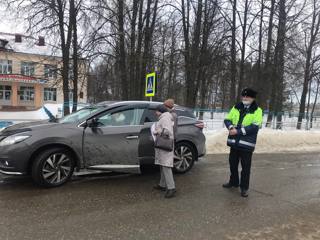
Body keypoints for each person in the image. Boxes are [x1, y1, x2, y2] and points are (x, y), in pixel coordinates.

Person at [223, 88, 263, 197]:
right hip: (234, 143)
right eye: (243, 96)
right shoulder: (236, 107)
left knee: (245, 168)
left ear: (253, 98)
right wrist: (230, 127)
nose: (245, 98)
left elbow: (254, 127)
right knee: (233, 164)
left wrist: (238, 131)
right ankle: (234, 182)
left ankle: (244, 187)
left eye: (247, 96)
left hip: (246, 145)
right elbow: (227, 119)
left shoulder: (257, 110)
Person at [152, 104, 176, 198]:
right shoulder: (164, 117)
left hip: (165, 145)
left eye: (156, 111)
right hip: (163, 146)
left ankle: (171, 188)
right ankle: (162, 185)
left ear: (160, 111)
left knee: (166, 166)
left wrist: (157, 131)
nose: (155, 112)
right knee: (163, 165)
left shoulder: (165, 118)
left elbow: (167, 132)